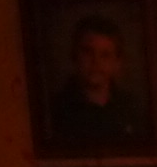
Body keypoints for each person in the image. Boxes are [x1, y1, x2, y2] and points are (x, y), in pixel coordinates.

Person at [48, 15, 149, 147]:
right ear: (74, 55)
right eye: (88, 52)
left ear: (117, 62)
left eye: (105, 55)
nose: (96, 62)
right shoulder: (57, 111)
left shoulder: (131, 109)